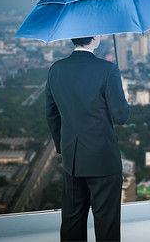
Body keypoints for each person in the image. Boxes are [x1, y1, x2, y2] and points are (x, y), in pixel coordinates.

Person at [45, 36, 130, 242]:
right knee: (106, 224)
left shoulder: (56, 69)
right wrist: (123, 93)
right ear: (95, 37)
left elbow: (51, 113)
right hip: (103, 160)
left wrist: (62, 147)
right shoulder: (107, 69)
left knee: (72, 221)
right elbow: (121, 116)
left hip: (72, 161)